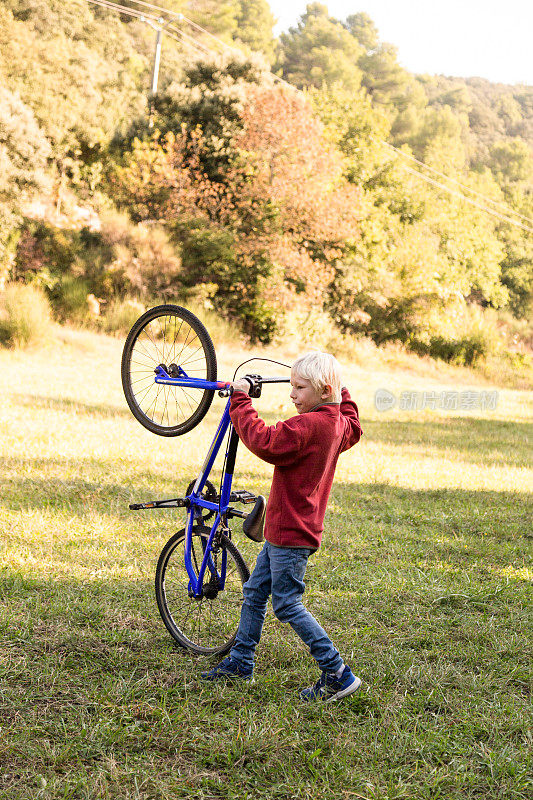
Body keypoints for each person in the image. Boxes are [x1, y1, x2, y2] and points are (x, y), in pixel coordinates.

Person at [201, 351, 363, 702]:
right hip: (286, 530)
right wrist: (343, 393)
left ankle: (337, 672)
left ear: (323, 390)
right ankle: (241, 661)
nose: (292, 394)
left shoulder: (308, 426)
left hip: (290, 532)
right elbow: (354, 422)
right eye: (291, 385)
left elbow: (265, 440)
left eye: (299, 388)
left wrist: (240, 400)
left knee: (287, 604)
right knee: (255, 593)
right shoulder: (337, 423)